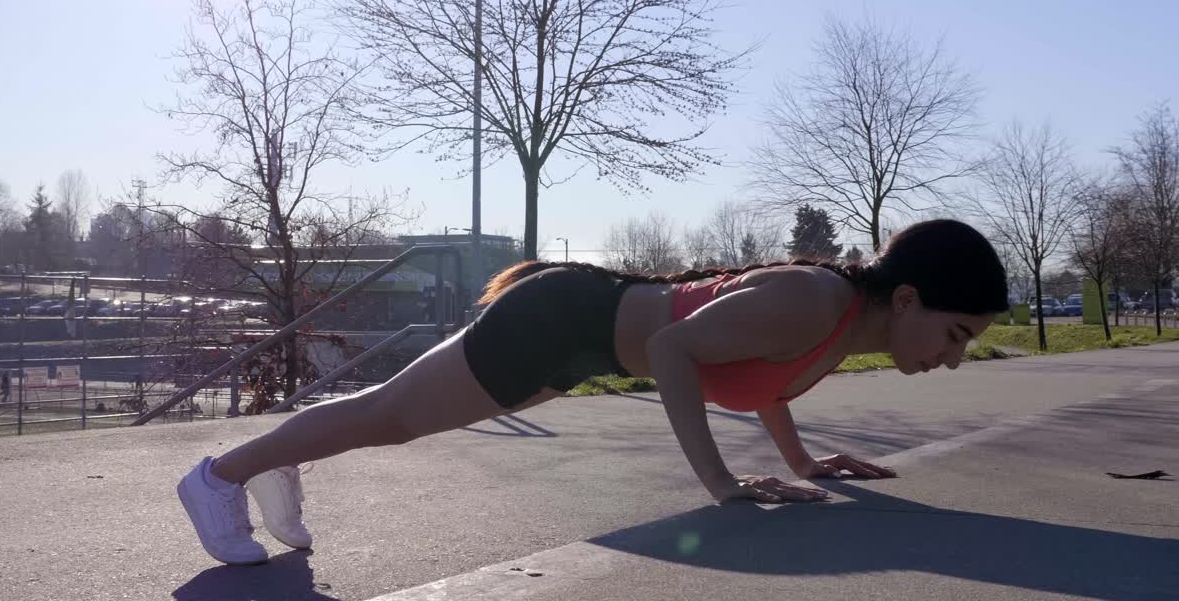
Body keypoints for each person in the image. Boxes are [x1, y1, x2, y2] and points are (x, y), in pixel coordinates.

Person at [177, 218, 1009, 565]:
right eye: (955, 334)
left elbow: (764, 380)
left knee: (386, 415)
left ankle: (269, 464)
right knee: (390, 417)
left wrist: (805, 460)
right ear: (908, 299)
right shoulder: (816, 298)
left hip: (579, 344)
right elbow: (674, 348)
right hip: (560, 321)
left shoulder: (840, 327)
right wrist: (721, 486)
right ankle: (219, 476)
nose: (955, 356)